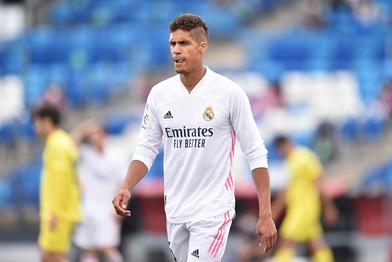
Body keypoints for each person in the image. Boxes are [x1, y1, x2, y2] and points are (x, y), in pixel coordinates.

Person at [112, 14, 277, 262]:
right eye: (172, 44)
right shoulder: (159, 95)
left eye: (184, 44)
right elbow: (146, 149)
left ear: (202, 46)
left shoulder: (229, 94)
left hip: (213, 210)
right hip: (176, 209)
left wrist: (265, 212)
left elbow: (255, 153)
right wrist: (126, 185)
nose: (176, 51)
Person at [272, 135, 338, 262]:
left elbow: (319, 183)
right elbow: (289, 190)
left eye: (280, 149)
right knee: (315, 242)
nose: (281, 153)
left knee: (286, 238)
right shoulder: (290, 161)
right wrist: (274, 210)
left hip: (305, 208)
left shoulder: (304, 157)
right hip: (299, 208)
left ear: (285, 144)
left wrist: (329, 208)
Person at [33, 104, 81, 262]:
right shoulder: (60, 142)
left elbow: (61, 180)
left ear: (46, 121)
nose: (35, 126)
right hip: (57, 211)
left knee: (54, 256)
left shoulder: (58, 144)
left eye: (37, 121)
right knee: (47, 255)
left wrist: (54, 213)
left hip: (58, 213)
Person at [71, 121, 126, 262]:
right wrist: (84, 128)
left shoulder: (116, 155)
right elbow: (70, 144)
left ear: (104, 134)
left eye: (96, 133)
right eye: (91, 134)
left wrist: (121, 207)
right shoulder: (86, 154)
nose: (93, 137)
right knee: (88, 250)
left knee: (108, 247)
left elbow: (124, 184)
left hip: (108, 208)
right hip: (88, 208)